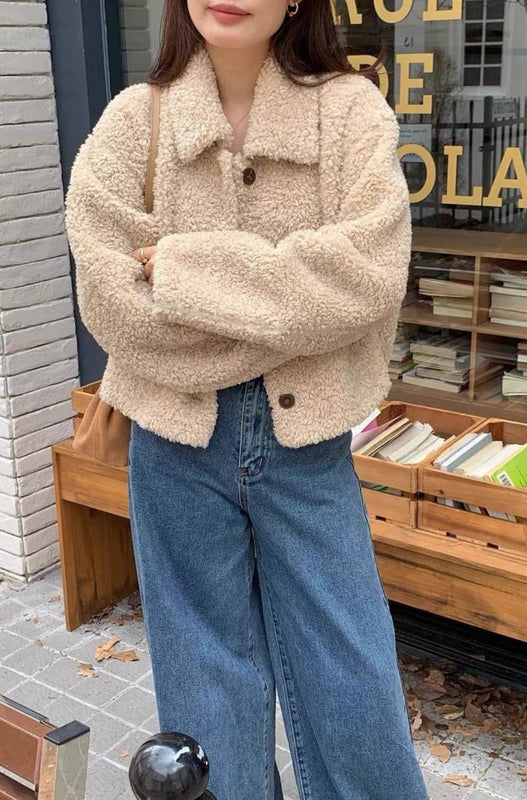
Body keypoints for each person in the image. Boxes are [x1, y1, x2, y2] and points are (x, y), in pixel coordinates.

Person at [65, 1, 430, 798]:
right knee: (203, 682)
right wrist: (290, 314)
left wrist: (186, 272)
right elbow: (113, 303)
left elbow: (365, 279)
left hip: (308, 446)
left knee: (353, 677)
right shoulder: (136, 120)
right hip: (174, 445)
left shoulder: (349, 112)